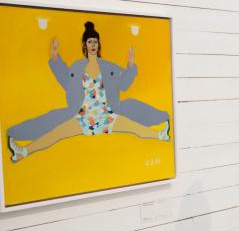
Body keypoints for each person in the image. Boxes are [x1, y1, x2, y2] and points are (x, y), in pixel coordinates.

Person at [7, 21, 171, 162]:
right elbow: (66, 81)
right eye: (90, 41)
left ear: (99, 45)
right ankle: (23, 152)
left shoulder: (108, 67)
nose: (93, 45)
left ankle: (160, 135)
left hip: (107, 116)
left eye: (95, 42)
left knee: (135, 128)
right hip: (83, 117)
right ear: (85, 45)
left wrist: (130, 66)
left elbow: (124, 84)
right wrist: (56, 59)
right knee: (56, 134)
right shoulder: (78, 67)